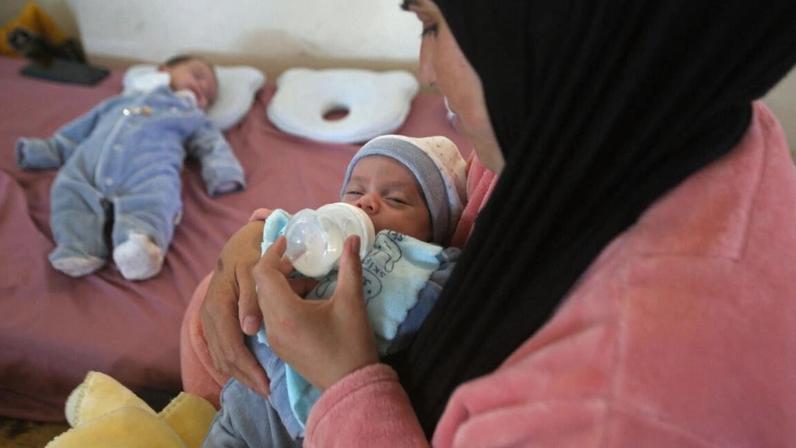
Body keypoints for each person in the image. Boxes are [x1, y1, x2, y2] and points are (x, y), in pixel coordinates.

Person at [197, 0, 796, 445]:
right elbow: (455, 206)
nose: (426, 72)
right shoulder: (633, 118)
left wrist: (343, 380)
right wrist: (262, 234)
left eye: (432, 24)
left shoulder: (611, 410)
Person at [201, 134, 466, 447]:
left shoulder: (424, 264)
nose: (365, 202)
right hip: (249, 408)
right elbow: (273, 234)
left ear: (433, 232)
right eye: (354, 191)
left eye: (395, 199)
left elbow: (448, 293)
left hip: (330, 422)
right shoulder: (319, 245)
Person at [16, 55, 245, 280]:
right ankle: (78, 246)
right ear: (163, 71)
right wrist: (45, 150)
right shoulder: (120, 101)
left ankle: (140, 246)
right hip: (89, 164)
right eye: (197, 75)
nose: (202, 87)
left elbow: (213, 145)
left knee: (158, 197)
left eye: (209, 95)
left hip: (148, 169)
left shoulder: (191, 115)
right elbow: (77, 132)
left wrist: (223, 172)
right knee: (69, 191)